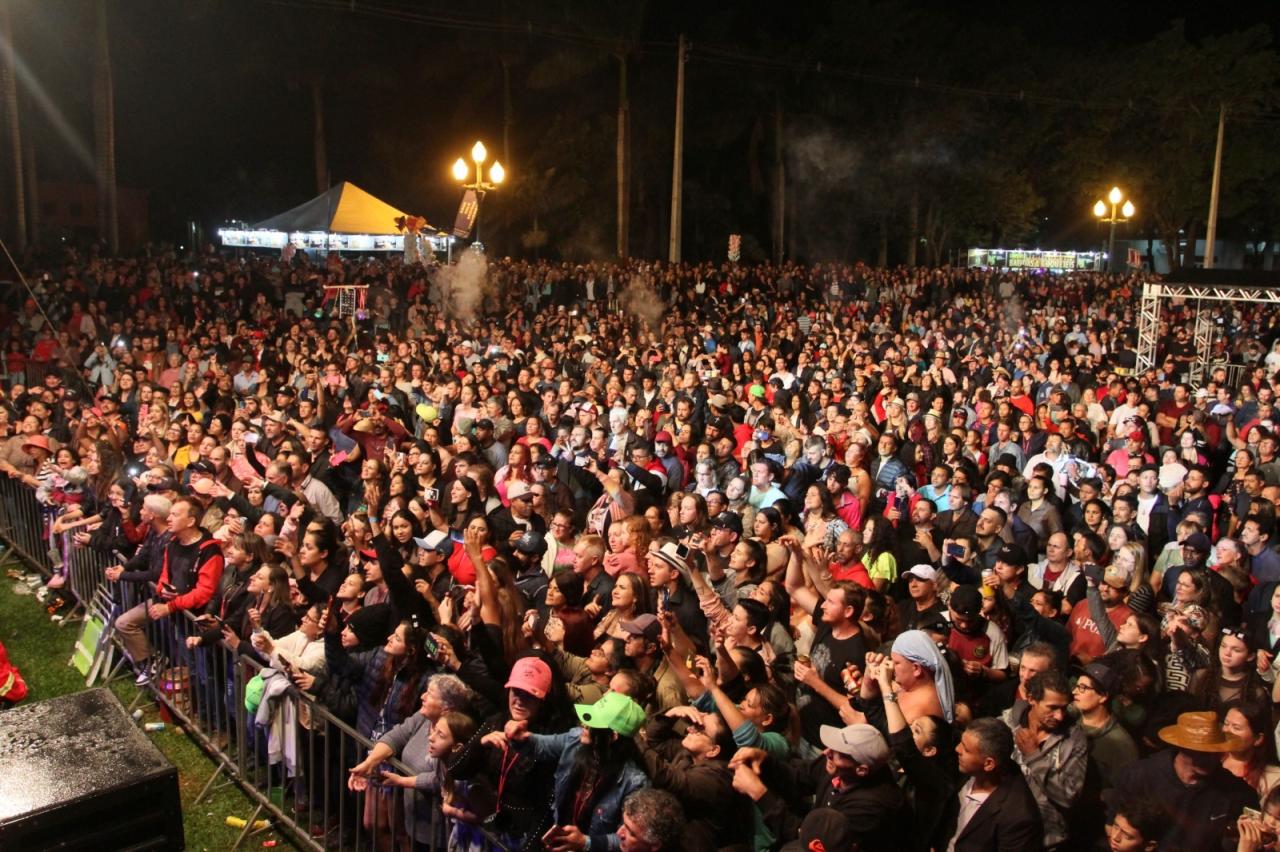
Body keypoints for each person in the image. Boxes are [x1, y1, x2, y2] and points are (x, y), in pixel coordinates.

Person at [1112, 711, 1259, 851]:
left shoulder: (1236, 791)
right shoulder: (1138, 776)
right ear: (1181, 746)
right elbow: (1113, 829)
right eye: (1201, 751)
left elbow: (1252, 835)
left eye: (1216, 751)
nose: (1211, 757)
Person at [941, 716, 1044, 851]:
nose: (957, 749)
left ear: (988, 764)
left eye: (966, 749)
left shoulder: (1018, 817)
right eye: (961, 742)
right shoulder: (968, 771)